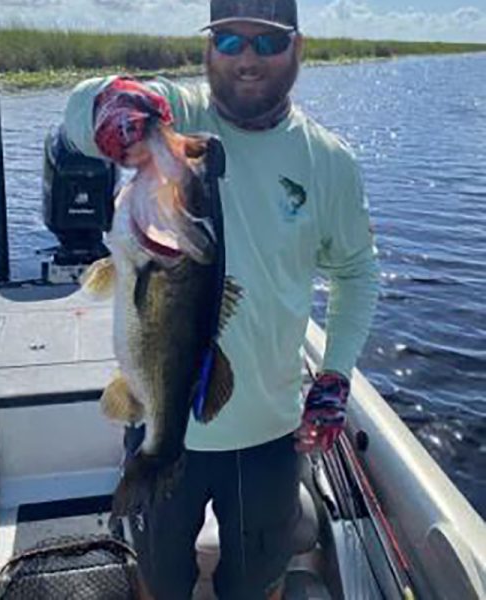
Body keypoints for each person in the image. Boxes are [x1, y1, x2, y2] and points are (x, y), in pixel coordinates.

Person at [63, 0, 380, 597]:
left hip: (270, 432)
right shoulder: (179, 118)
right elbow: (78, 114)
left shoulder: (330, 161)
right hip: (158, 415)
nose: (248, 59)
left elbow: (358, 274)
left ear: (299, 48)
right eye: (230, 42)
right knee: (157, 577)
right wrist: (109, 105)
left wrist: (334, 377)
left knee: (258, 582)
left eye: (267, 42)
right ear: (208, 49)